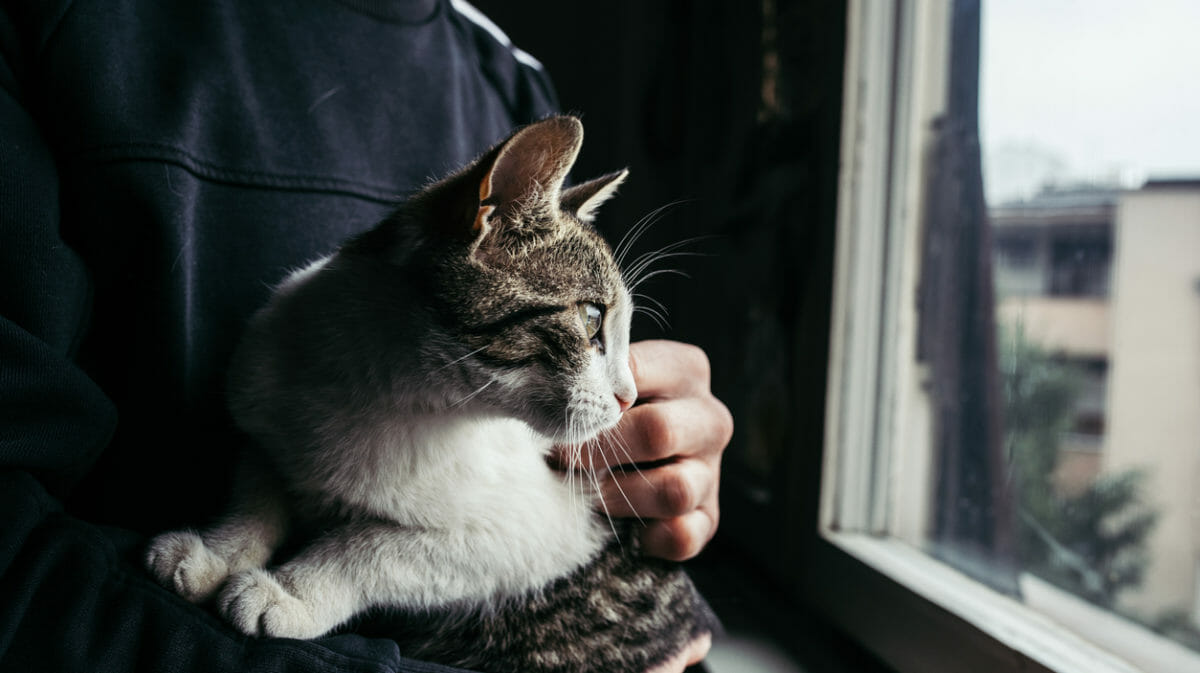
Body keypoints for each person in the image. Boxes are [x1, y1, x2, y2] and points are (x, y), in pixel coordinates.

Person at [0, 0, 732, 671]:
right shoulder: (64, 27)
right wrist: (250, 536)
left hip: (594, 633)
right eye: (594, 327)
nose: (624, 383)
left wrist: (668, 457)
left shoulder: (506, 74)